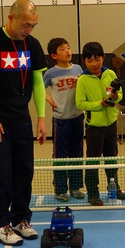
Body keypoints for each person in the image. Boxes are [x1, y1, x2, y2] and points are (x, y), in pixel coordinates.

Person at [0, 0, 47, 246]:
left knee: (24, 172)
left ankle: (21, 219)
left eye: (33, 25)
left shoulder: (32, 45)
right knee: (2, 175)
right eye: (26, 24)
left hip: (21, 120)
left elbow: (37, 83)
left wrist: (41, 118)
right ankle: (1, 224)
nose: (29, 30)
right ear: (11, 18)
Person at [75, 41, 125, 206]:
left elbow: (119, 94)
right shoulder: (83, 80)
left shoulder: (110, 74)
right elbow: (80, 104)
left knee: (111, 159)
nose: (94, 64)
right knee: (93, 161)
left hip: (111, 124)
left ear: (103, 58)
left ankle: (114, 189)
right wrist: (100, 104)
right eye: (90, 60)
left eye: (97, 59)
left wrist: (114, 97)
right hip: (94, 128)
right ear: (85, 61)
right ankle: (93, 193)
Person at [43, 38, 85, 202]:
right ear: (54, 55)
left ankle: (75, 187)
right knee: (60, 156)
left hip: (77, 117)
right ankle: (60, 189)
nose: (68, 51)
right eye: (62, 49)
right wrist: (48, 99)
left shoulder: (78, 68)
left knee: (76, 154)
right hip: (61, 120)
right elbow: (39, 87)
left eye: (68, 48)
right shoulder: (51, 73)